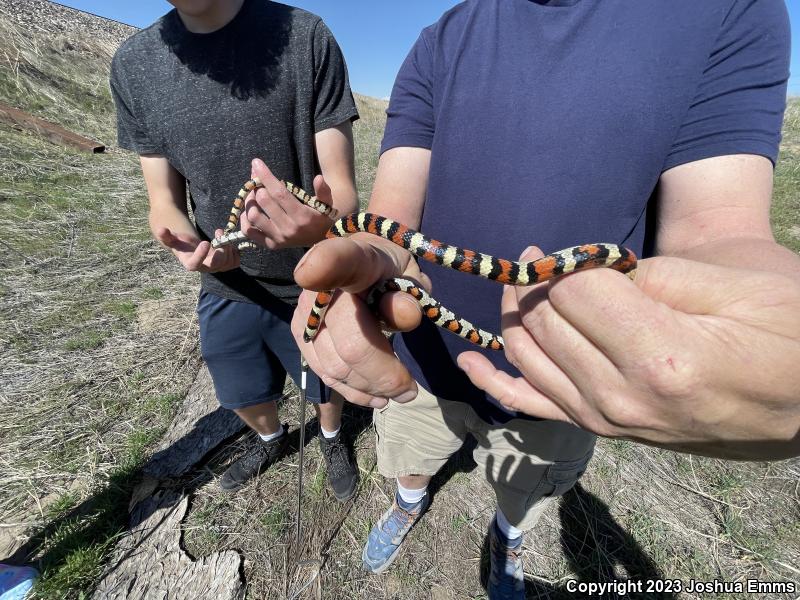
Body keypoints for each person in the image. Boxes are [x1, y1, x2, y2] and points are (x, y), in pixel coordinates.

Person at [290, 0, 793, 596]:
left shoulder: (731, 13)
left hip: (558, 384)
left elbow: (721, 232)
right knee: (412, 451)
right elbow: (390, 220)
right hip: (424, 356)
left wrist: (762, 332)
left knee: (524, 488)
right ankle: (407, 501)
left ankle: (509, 534)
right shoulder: (440, 40)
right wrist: (353, 270)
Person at [110, 0, 361, 500]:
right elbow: (162, 201)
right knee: (239, 390)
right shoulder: (133, 65)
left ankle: (331, 437)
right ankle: (272, 437)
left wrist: (322, 224)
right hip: (226, 280)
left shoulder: (306, 36)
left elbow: (343, 194)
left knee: (324, 384)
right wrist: (187, 242)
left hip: (310, 275)